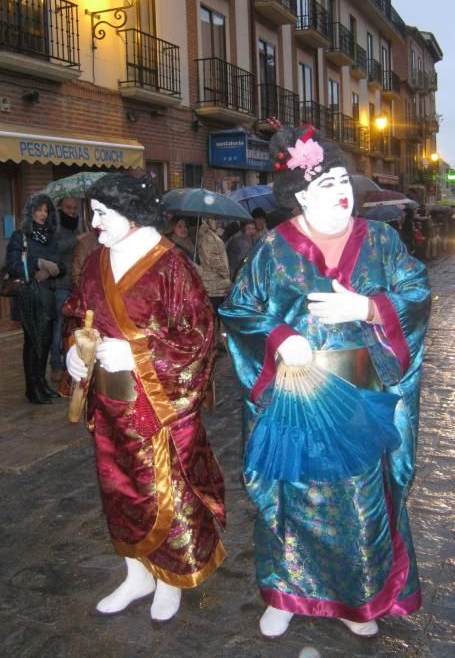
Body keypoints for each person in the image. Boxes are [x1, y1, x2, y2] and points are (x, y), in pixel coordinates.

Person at [220, 125, 430, 639]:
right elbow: (239, 310)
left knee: (360, 503)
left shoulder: (380, 239)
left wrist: (370, 307)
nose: (339, 191)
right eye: (324, 184)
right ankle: (287, 593)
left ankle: (358, 596)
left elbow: (417, 290)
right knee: (295, 497)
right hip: (296, 395)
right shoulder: (272, 248)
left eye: (342, 178)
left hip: (361, 400)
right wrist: (278, 337)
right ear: (298, 199)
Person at [64, 173, 225, 622]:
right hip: (108, 403)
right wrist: (76, 353)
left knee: (166, 493)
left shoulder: (172, 266)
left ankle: (171, 578)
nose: (94, 223)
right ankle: (135, 571)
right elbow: (77, 314)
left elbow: (199, 336)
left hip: (158, 407)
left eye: (102, 213)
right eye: (91, 212)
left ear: (132, 214)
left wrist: (138, 352)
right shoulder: (96, 263)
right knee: (118, 491)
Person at [6, 193, 66, 404]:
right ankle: (32, 388)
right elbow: (13, 265)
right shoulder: (19, 235)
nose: (42, 214)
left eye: (45, 210)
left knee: (47, 340)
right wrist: (38, 264)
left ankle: (41, 382)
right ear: (30, 211)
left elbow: (62, 266)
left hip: (48, 295)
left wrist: (53, 270)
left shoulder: (51, 237)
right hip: (30, 296)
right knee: (33, 342)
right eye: (38, 210)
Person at [50, 197, 86, 381]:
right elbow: (54, 249)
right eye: (68, 208)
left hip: (75, 286)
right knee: (58, 327)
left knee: (72, 328)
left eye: (74, 208)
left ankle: (68, 364)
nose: (72, 211)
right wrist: (76, 239)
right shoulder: (54, 228)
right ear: (60, 208)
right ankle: (56, 365)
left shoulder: (75, 227)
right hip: (61, 286)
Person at [197, 218, 231, 346]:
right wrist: (225, 273)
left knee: (214, 315)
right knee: (214, 314)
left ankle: (214, 342)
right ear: (207, 220)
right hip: (213, 282)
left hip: (215, 282)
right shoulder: (208, 237)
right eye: (214, 219)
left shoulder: (210, 235)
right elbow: (214, 260)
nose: (218, 221)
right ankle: (213, 343)